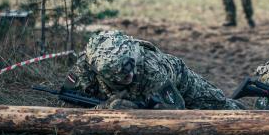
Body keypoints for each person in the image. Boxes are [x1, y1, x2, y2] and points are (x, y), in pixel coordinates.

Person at [64, 30, 243, 110]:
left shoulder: (152, 71)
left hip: (179, 79)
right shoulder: (85, 66)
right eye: (123, 77)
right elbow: (68, 97)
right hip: (132, 91)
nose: (130, 76)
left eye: (130, 71)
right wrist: (102, 107)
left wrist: (136, 112)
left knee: (221, 105)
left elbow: (176, 111)